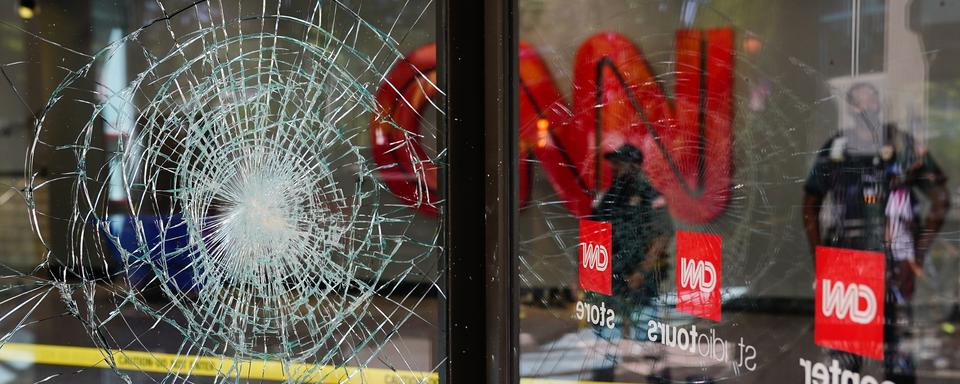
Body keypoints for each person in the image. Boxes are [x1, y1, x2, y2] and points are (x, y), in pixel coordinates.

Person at [802, 82, 950, 384]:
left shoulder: (902, 145)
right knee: (842, 364)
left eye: (871, 100)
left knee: (898, 355)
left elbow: (940, 199)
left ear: (880, 105)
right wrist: (820, 257)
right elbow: (810, 202)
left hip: (894, 266)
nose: (865, 107)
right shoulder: (838, 147)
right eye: (858, 102)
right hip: (846, 269)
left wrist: (916, 255)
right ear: (849, 109)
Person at [588, 143, 673, 381]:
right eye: (614, 162)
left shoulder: (649, 195)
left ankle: (658, 380)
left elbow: (663, 235)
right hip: (610, 281)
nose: (614, 167)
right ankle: (603, 380)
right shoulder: (608, 197)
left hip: (640, 284)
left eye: (620, 162)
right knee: (606, 340)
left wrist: (642, 272)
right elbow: (594, 234)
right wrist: (588, 276)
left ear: (634, 165)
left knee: (648, 337)